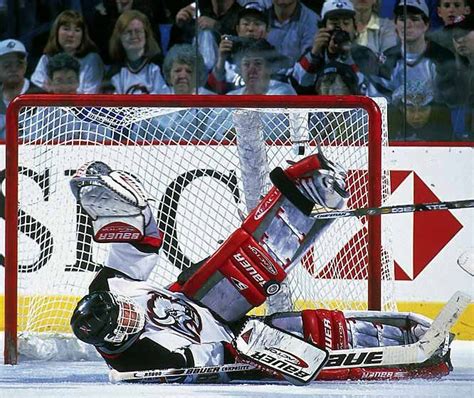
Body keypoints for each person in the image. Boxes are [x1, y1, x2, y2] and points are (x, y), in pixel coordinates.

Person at [69, 157, 454, 382]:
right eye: (131, 319)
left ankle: (302, 196)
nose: (133, 310)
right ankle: (400, 347)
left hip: (197, 299)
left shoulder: (106, 290)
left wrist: (130, 213)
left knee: (247, 257)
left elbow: (139, 245)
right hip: (233, 339)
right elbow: (218, 359)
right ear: (122, 338)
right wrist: (252, 350)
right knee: (298, 334)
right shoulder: (147, 364)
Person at [292, 0, 383, 96]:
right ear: (323, 27)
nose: (341, 28)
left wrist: (347, 56)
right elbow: (299, 85)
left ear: (355, 28)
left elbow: (368, 91)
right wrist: (314, 53)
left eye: (346, 23)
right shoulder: (314, 53)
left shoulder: (365, 55)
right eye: (334, 24)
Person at [379, 0, 458, 107]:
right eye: (402, 19)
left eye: (414, 19)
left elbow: (451, 101)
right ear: (395, 24)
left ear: (426, 25)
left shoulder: (444, 57)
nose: (408, 25)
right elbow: (381, 98)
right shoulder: (387, 58)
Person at [208, 2, 284, 93]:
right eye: (246, 23)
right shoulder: (226, 58)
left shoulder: (276, 59)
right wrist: (221, 60)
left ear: (267, 30)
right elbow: (212, 93)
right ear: (238, 29)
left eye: (257, 24)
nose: (251, 28)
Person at [30, 10, 104, 94]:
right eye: (66, 29)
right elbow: (37, 85)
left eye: (77, 30)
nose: (71, 34)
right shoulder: (46, 58)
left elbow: (90, 93)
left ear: (83, 35)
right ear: (56, 31)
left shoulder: (92, 59)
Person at [106, 10, 167, 94]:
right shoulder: (114, 73)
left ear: (146, 35)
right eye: (128, 32)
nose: (134, 36)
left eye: (138, 31)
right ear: (119, 37)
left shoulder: (160, 66)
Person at [89, 0, 165, 65]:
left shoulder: (146, 13)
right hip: (115, 66)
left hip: (146, 64)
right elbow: (105, 54)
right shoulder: (102, 16)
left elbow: (154, 46)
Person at [0, 39, 44, 140]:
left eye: (19, 63)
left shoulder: (42, 97)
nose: (14, 68)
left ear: (26, 65)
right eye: (7, 64)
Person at [266, 0, 320, 76]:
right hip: (261, 80)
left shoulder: (312, 21)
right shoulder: (259, 17)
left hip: (294, 82)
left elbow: (307, 64)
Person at [388, 79, 454, 140]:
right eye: (411, 110)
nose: (417, 116)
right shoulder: (391, 131)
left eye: (423, 110)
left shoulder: (443, 131)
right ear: (401, 109)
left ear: (432, 109)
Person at [226, 39, 296, 94]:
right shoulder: (230, 97)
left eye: (258, 63)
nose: (251, 70)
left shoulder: (282, 92)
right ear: (240, 69)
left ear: (269, 67)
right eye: (246, 64)